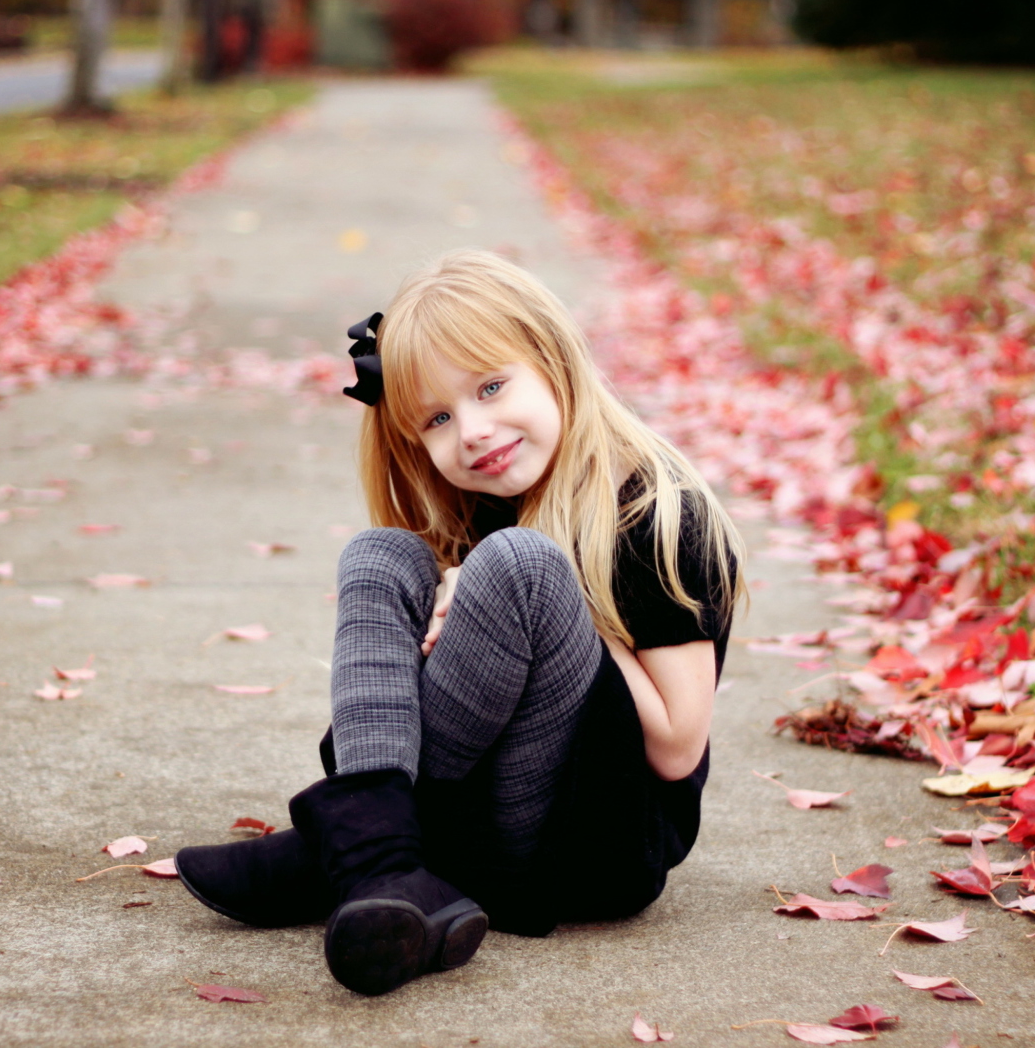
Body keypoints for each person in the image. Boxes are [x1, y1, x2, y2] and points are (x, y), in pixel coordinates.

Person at [175, 249, 746, 996]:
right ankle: (384, 861)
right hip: (473, 825)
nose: (472, 430)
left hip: (588, 844)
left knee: (521, 565)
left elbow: (676, 745)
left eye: (491, 387)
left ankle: (346, 852)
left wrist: (554, 590)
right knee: (380, 554)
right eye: (439, 419)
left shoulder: (658, 511)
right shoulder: (484, 501)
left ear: (554, 360)